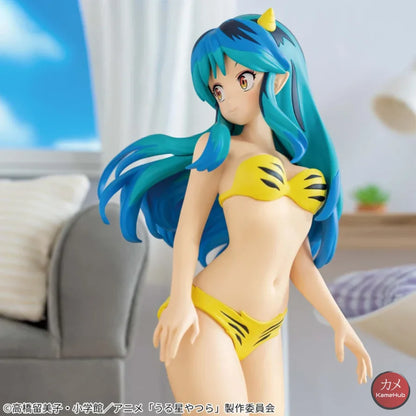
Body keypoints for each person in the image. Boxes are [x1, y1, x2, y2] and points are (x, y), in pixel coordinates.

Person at [98, 9, 372, 415]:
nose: (226, 97)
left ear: (278, 76)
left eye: (242, 79)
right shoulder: (219, 149)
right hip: (208, 317)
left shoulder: (301, 167)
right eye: (217, 88)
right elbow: (189, 230)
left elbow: (296, 261)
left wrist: (338, 320)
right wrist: (180, 302)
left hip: (267, 330)